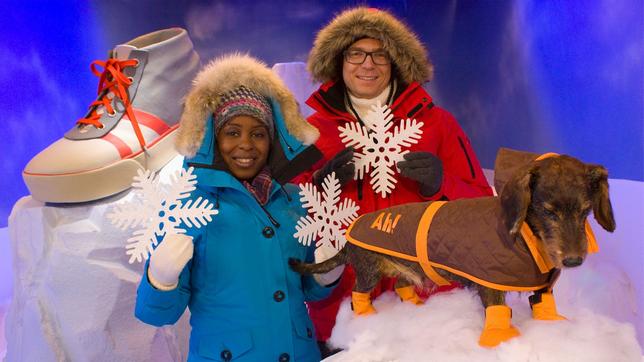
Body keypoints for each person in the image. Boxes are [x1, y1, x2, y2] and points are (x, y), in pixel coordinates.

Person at [295, 7, 494, 357]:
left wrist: (440, 183)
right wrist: (319, 181)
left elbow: (481, 203)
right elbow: (282, 210)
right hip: (345, 310)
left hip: (426, 306)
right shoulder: (312, 133)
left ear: (396, 63)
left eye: (380, 55)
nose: (367, 64)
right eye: (356, 53)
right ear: (338, 62)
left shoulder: (437, 125)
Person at [134, 54, 338, 362]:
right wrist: (160, 278)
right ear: (213, 140)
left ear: (272, 141)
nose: (246, 144)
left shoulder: (295, 200)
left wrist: (325, 276)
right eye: (232, 132)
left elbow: (306, 290)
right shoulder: (188, 208)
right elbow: (157, 314)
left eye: (258, 133)